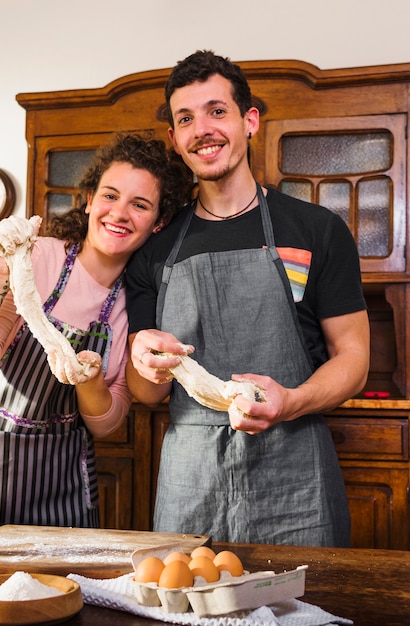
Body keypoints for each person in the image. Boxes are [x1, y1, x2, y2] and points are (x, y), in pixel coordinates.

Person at [125, 50, 370, 547]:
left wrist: (291, 401)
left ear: (249, 120)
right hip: (190, 479)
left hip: (297, 473)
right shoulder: (153, 250)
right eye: (186, 118)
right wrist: (144, 365)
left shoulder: (317, 229)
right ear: (175, 139)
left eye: (217, 111)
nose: (203, 130)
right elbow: (146, 393)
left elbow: (355, 358)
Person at [0, 133, 192, 530]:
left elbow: (106, 424)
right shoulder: (37, 256)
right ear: (90, 200)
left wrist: (90, 380)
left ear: (159, 221)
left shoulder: (141, 303)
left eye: (140, 204)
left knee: (58, 589)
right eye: (110, 196)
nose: (120, 213)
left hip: (58, 483)